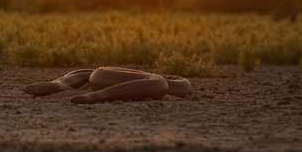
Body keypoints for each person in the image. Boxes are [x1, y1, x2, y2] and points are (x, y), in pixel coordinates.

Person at [23, 67, 191, 104]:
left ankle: (96, 96)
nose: (29, 91)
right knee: (82, 75)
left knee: (158, 83)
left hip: (157, 83)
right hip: (95, 75)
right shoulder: (93, 73)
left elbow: (160, 84)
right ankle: (54, 86)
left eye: (34, 89)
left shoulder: (159, 81)